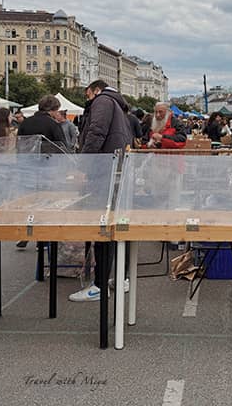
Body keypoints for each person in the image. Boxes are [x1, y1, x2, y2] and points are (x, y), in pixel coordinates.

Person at [71, 81, 133, 302]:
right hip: (115, 172)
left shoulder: (103, 101)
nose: (88, 100)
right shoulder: (118, 107)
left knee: (102, 229)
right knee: (114, 227)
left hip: (103, 173)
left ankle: (99, 285)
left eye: (88, 95)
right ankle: (120, 278)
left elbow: (96, 133)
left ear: (95, 91)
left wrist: (83, 168)